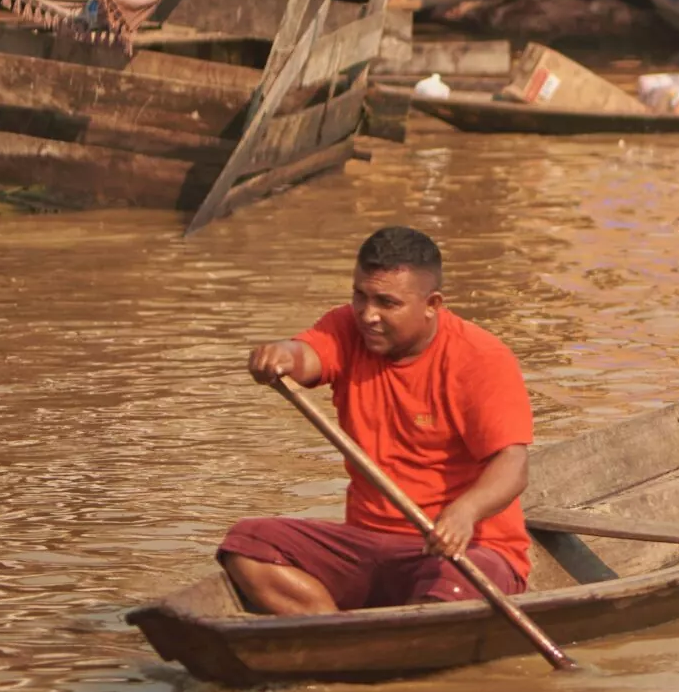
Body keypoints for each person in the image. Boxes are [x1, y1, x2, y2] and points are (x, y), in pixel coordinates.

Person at [219, 226, 534, 615]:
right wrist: (279, 355)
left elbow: (513, 465)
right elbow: (305, 356)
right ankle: (333, 636)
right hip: (367, 544)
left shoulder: (481, 358)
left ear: (432, 303)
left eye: (387, 303)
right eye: (360, 296)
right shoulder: (347, 329)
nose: (368, 315)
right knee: (248, 544)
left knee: (453, 587)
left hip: (460, 551)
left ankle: (388, 639)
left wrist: (464, 512)